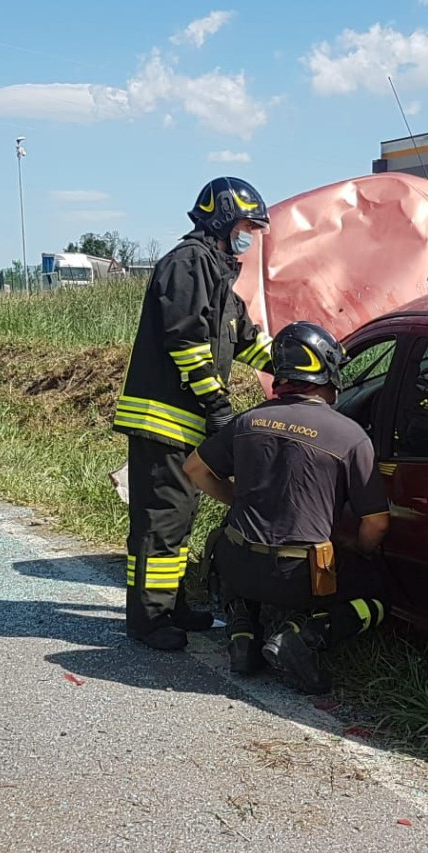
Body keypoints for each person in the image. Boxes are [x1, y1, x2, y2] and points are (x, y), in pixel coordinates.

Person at [184, 322, 391, 694]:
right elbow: (376, 523)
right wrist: (360, 551)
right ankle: (304, 637)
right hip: (302, 579)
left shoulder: (247, 421)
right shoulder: (349, 436)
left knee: (229, 536)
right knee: (378, 595)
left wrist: (237, 500)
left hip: (238, 566)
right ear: (325, 372)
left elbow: (195, 469)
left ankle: (243, 634)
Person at [112, 177, 276, 650]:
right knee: (160, 522)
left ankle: (173, 604)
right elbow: (186, 344)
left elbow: (245, 340)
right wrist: (219, 406)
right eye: (248, 224)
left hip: (185, 422)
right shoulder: (187, 265)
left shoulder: (218, 272)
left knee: (179, 521)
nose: (251, 235)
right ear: (224, 218)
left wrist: (294, 367)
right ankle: (148, 620)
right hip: (162, 419)